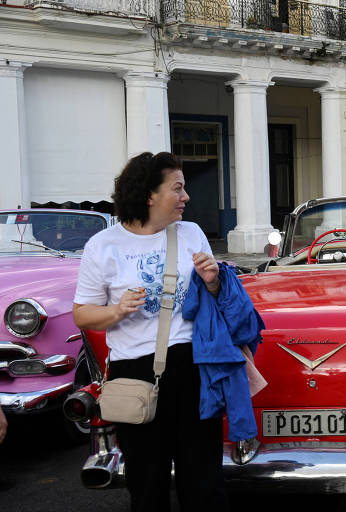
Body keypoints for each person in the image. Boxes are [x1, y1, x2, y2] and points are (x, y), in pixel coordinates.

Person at [72, 152, 228, 511]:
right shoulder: (104, 245)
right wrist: (116, 310)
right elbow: (82, 314)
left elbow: (215, 301)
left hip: (195, 368)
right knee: (147, 484)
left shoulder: (191, 233)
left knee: (204, 482)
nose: (186, 197)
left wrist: (214, 281)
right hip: (137, 375)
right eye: (178, 188)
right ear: (149, 195)